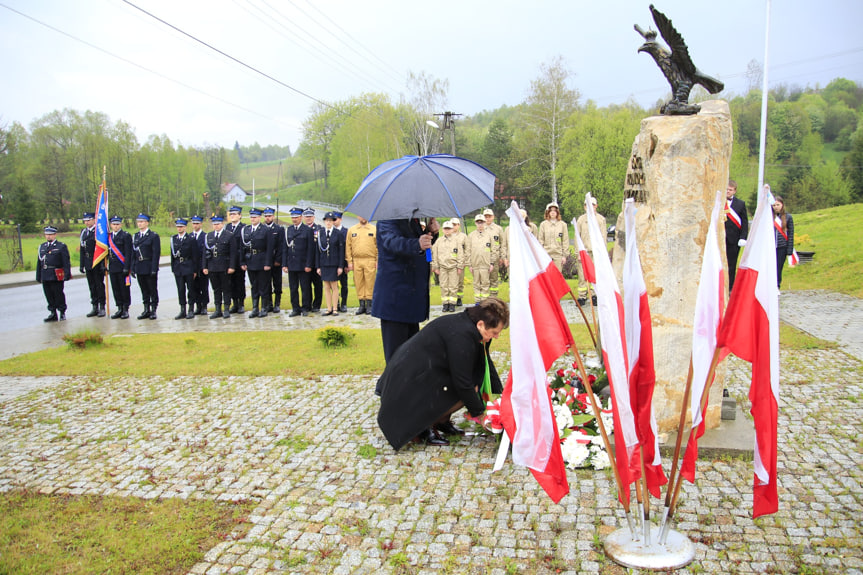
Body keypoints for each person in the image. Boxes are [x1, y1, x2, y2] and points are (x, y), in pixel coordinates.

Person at [377, 297, 509, 449]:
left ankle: (441, 421)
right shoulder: (462, 335)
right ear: (481, 324)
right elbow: (462, 382)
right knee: (469, 389)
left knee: (474, 380)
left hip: (423, 375)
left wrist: (501, 399)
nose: (497, 336)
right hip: (408, 386)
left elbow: (485, 364)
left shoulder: (474, 327)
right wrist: (481, 415)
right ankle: (422, 428)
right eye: (494, 332)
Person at [371, 217, 439, 366]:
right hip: (395, 300)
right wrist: (417, 243)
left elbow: (419, 248)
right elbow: (394, 242)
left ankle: (408, 386)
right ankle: (387, 389)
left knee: (411, 355)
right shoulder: (387, 220)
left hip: (411, 299)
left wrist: (430, 233)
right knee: (396, 358)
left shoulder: (411, 221)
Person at [240, 207, 275, 318]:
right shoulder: (246, 230)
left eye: (255, 217)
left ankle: (264, 307)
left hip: (262, 260)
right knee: (254, 285)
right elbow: (243, 248)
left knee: (263, 285)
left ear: (260, 217)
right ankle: (255, 308)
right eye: (251, 217)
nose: (253, 219)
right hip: (251, 261)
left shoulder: (266, 230)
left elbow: (270, 248)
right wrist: (242, 262)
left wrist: (268, 263)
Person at [202, 215, 237, 319]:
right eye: (214, 224)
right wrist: (205, 266)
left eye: (218, 224)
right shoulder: (209, 236)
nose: (216, 226)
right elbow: (205, 253)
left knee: (226, 288)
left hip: (224, 265)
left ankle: (226, 308)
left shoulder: (229, 235)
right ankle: (218, 309)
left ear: (222, 224)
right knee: (216, 289)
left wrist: (232, 266)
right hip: (212, 265)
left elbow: (233, 253)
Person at [36, 225, 72, 322]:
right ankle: (53, 313)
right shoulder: (42, 247)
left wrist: (67, 274)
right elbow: (39, 262)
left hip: (56, 274)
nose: (48, 236)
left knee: (58, 294)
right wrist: (38, 275)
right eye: (47, 234)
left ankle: (62, 312)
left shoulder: (61, 246)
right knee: (48, 294)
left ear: (55, 235)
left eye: (50, 234)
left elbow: (66, 262)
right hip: (45, 274)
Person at [283, 206, 314, 317]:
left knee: (305, 287)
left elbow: (311, 249)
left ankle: (305, 307)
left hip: (303, 263)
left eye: (296, 217)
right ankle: (295, 308)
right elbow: (285, 248)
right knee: (293, 288)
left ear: (301, 217)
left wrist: (308, 264)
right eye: (293, 217)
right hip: (292, 263)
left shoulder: (308, 230)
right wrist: (284, 264)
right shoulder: (288, 230)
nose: (294, 219)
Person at [575, 197, 606, 305]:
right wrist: (578, 252)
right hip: (584, 252)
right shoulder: (581, 220)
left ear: (596, 206)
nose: (590, 207)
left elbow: (603, 237)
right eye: (587, 205)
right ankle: (582, 297)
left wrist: (603, 253)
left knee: (595, 275)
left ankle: (594, 295)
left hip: (596, 252)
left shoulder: (601, 219)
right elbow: (577, 237)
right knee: (582, 275)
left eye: (592, 205)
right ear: (584, 207)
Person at [345, 215, 377, 315]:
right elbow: (348, 247)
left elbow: (378, 246)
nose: (363, 217)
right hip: (356, 260)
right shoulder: (352, 230)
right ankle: (361, 305)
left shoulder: (374, 229)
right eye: (361, 215)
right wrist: (349, 262)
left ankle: (369, 305)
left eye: (365, 215)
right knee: (359, 282)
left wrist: (377, 260)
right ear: (357, 216)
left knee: (370, 282)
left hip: (370, 259)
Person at [315, 211, 346, 316]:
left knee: (334, 286)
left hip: (334, 264)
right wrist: (318, 266)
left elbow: (341, 251)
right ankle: (329, 308)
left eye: (331, 221)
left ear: (333, 222)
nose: (328, 223)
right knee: (326, 287)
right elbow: (317, 251)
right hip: (324, 264)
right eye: (327, 221)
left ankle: (335, 308)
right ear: (324, 221)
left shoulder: (338, 234)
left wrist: (340, 266)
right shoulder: (321, 233)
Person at [131, 213, 160, 320]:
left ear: (147, 223)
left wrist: (154, 268)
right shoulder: (136, 236)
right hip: (139, 266)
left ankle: (153, 310)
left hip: (149, 266)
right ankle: (146, 309)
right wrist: (133, 267)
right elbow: (133, 254)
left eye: (142, 222)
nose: (140, 224)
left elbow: (156, 254)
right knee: (144, 290)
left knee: (152, 289)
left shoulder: (153, 236)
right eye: (138, 222)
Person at [170, 218, 200, 320]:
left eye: (181, 226)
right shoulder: (174, 239)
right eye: (178, 226)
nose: (179, 228)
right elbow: (172, 255)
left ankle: (191, 309)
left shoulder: (191, 239)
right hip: (178, 266)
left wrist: (195, 270)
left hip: (188, 266)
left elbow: (195, 256)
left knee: (190, 289)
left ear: (185, 227)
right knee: (180, 289)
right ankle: (182, 309)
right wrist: (173, 268)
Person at [431, 219, 464, 312]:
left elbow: (460, 254)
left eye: (449, 228)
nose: (447, 230)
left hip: (453, 267)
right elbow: (435, 255)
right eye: (445, 229)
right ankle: (445, 304)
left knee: (453, 286)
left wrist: (460, 266)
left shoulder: (457, 241)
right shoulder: (438, 241)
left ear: (452, 229)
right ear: (442, 230)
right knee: (444, 286)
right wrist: (435, 267)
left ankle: (452, 304)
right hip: (442, 268)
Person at [79, 212, 106, 317]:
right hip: (88, 261)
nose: (86, 222)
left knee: (99, 285)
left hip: (97, 261)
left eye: (88, 220)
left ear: (94, 220)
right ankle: (94, 306)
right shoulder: (83, 232)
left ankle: (102, 306)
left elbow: (102, 247)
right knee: (92, 285)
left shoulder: (98, 232)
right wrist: (81, 264)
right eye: (85, 220)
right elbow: (82, 249)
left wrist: (103, 264)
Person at [724, 179, 749, 292]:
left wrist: (743, 237)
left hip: (734, 239)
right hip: (721, 237)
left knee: (732, 264)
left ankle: (730, 287)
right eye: (727, 189)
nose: (728, 191)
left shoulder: (740, 204)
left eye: (730, 190)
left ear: (734, 191)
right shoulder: (719, 202)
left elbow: (744, 222)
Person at [107, 215, 132, 319]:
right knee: (115, 288)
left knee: (124, 289)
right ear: (111, 225)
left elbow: (128, 253)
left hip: (122, 267)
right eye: (113, 224)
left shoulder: (125, 236)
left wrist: (127, 267)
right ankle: (119, 308)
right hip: (113, 267)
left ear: (121, 225)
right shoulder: (109, 237)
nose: (115, 226)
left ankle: (125, 309)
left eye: (117, 224)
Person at [465, 213, 494, 303]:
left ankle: (485, 302)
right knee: (476, 283)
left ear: (485, 223)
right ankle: (478, 301)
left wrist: (492, 263)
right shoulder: (471, 236)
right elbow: (468, 251)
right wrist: (469, 264)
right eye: (478, 222)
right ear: (475, 223)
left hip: (485, 264)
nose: (480, 224)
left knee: (485, 283)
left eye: (482, 222)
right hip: (475, 264)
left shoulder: (489, 235)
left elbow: (493, 250)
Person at [225, 206, 246, 314]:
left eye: (234, 214)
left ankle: (241, 303)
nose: (232, 216)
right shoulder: (227, 227)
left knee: (239, 282)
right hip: (229, 260)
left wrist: (243, 261)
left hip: (239, 259)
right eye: (231, 214)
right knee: (230, 283)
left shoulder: (243, 228)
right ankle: (235, 303)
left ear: (240, 215)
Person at [263, 207, 284, 313]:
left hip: (276, 260)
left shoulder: (279, 229)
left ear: (273, 216)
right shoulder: (262, 229)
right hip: (265, 261)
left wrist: (278, 260)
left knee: (277, 282)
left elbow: (281, 246)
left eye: (269, 216)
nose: (267, 218)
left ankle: (277, 303)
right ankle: (269, 304)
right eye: (266, 216)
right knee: (266, 283)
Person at [482, 208, 507, 298]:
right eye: (486, 217)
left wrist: (502, 257)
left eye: (489, 216)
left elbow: (502, 243)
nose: (487, 218)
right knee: (484, 279)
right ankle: (484, 298)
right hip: (483, 258)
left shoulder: (498, 229)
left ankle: (493, 297)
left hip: (495, 257)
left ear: (493, 217)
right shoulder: (481, 228)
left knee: (494, 278)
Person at [303, 208, 324, 312]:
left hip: (316, 262)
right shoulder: (302, 229)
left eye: (310, 216)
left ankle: (316, 305)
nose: (308, 218)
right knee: (306, 286)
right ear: (303, 217)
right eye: (306, 217)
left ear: (314, 217)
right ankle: (307, 305)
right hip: (305, 262)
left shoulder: (319, 229)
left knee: (318, 285)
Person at [538, 202, 569, 271]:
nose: (552, 212)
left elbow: (565, 241)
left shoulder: (563, 225)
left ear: (557, 212)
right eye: (550, 210)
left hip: (558, 255)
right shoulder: (543, 224)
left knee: (557, 276)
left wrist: (564, 256)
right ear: (547, 212)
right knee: (547, 277)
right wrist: (541, 254)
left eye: (554, 210)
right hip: (546, 254)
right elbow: (541, 240)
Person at [773, 194, 795, 289]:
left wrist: (789, 250)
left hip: (782, 246)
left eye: (778, 205)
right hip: (771, 246)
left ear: (782, 205)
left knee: (778, 267)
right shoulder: (769, 217)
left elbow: (791, 234)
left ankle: (777, 285)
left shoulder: (788, 217)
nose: (776, 207)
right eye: (774, 205)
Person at [189, 215, 210, 315]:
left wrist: (205, 266)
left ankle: (204, 306)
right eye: (194, 223)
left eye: (197, 223)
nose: (195, 225)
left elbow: (206, 253)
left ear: (201, 224)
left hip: (202, 265)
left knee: (203, 287)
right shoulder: (189, 237)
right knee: (194, 287)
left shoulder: (205, 236)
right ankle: (198, 305)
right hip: (193, 266)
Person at [334, 212, 350, 313]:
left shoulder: (346, 232)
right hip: (333, 263)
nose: (334, 221)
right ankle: (336, 303)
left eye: (336, 219)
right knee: (334, 285)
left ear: (340, 219)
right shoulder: (329, 231)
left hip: (343, 263)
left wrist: (347, 264)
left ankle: (344, 303)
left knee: (344, 285)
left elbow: (348, 248)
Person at [450, 219, 468, 307]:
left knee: (460, 281)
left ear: (459, 225)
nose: (453, 226)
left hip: (460, 261)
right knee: (451, 282)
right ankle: (451, 299)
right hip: (449, 262)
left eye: (455, 224)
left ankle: (459, 298)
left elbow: (467, 249)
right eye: (452, 224)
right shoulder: (447, 235)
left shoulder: (463, 236)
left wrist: (465, 261)